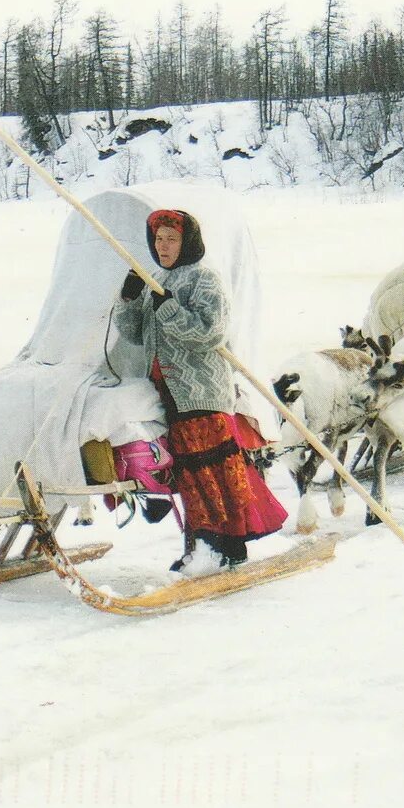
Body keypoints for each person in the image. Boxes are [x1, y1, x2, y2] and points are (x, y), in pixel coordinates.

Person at [114, 208, 287, 575]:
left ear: (186, 242)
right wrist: (130, 300)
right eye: (158, 239)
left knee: (213, 472)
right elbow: (134, 335)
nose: (163, 246)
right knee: (191, 477)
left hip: (201, 393)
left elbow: (210, 332)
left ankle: (224, 545)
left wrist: (170, 308)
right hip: (169, 395)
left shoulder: (204, 279)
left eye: (171, 239)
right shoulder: (156, 278)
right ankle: (204, 546)